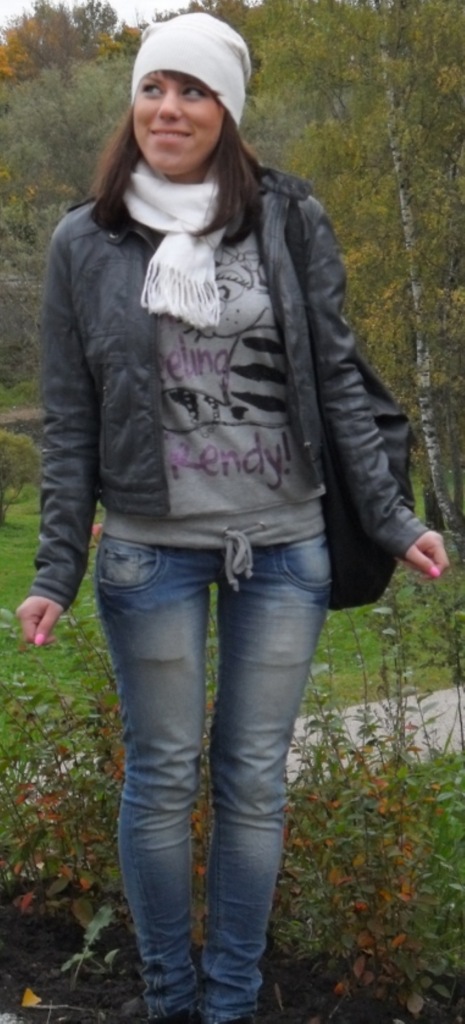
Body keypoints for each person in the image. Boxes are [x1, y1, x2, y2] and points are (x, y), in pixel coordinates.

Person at [16, 12, 449, 1024]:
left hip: (286, 543)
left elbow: (337, 378)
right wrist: (52, 571)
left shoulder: (289, 221)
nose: (169, 108)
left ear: (229, 109)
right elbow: (70, 418)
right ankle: (171, 997)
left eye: (194, 90)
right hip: (149, 553)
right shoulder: (84, 241)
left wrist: (391, 518)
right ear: (133, 102)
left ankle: (231, 1002)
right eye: (153, 87)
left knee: (254, 780)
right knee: (162, 777)